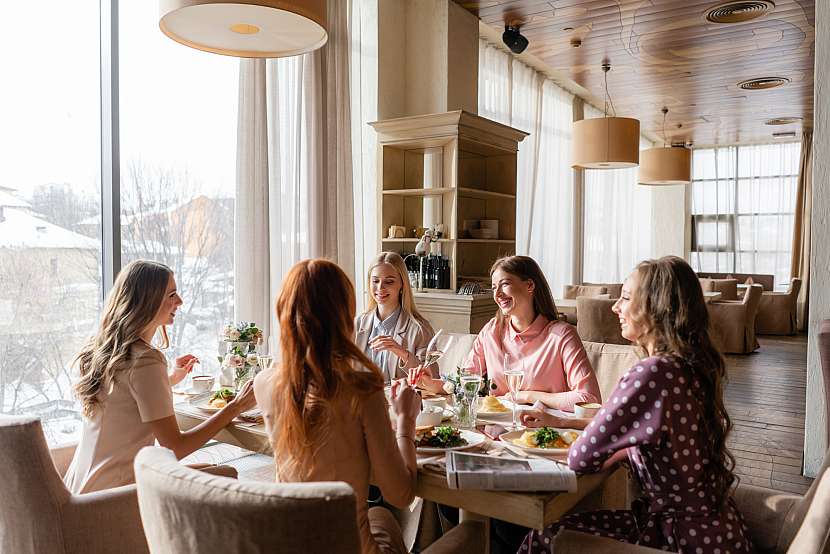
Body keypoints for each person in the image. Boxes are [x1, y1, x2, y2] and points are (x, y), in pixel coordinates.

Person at [518, 256, 754, 553]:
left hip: (679, 539)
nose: (615, 306)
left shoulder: (652, 374)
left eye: (626, 297)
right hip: (716, 529)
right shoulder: (687, 367)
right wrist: (619, 447)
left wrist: (617, 450)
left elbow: (580, 457)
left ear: (657, 308)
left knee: (542, 540)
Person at [253, 259, 421, 554]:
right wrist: (406, 418)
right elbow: (401, 494)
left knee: (378, 516)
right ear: (344, 312)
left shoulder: (265, 383)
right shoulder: (361, 388)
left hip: (291, 543)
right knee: (469, 530)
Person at [64, 260, 256, 494]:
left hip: (84, 491)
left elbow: (126, 396)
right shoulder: (146, 360)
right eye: (172, 295)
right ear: (148, 300)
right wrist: (236, 407)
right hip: (116, 495)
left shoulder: (105, 349)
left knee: (210, 468)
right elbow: (174, 447)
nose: (180, 302)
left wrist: (171, 378)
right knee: (227, 477)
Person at [417, 255, 600, 412]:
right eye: (494, 287)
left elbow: (589, 398)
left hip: (544, 434)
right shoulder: (492, 331)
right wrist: (432, 384)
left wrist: (528, 396)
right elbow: (466, 382)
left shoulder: (562, 336)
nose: (497, 294)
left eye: (504, 284)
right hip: (495, 431)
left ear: (529, 285)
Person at [355, 252, 435, 384]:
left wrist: (401, 352)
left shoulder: (420, 329)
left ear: (402, 285)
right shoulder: (357, 324)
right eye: (375, 281)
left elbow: (432, 379)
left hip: (400, 403)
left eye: (389, 281)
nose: (380, 288)